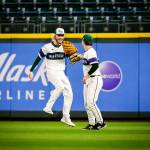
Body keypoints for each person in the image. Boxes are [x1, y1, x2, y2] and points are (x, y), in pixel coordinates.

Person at [28, 28, 75, 127]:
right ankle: (48, 107)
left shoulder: (65, 46)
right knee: (60, 87)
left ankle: (66, 117)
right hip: (51, 71)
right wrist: (31, 70)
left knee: (69, 93)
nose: (60, 37)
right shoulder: (47, 47)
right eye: (59, 35)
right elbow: (38, 58)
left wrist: (75, 56)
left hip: (61, 72)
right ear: (55, 36)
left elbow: (72, 57)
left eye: (62, 35)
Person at [81, 34, 106, 130]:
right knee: (87, 104)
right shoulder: (87, 52)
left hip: (94, 79)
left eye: (82, 40)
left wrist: (86, 76)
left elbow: (95, 65)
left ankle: (101, 122)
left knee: (91, 102)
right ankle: (92, 123)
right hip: (89, 80)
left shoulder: (91, 52)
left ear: (84, 41)